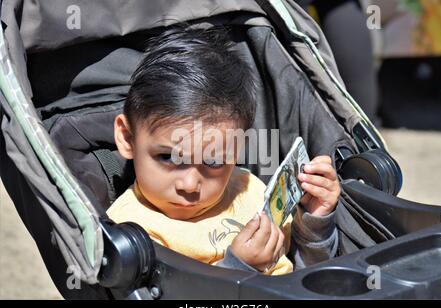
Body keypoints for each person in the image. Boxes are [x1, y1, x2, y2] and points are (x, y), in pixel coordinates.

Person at [107, 28, 341, 275]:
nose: (189, 184)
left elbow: (309, 277)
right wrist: (236, 268)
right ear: (127, 138)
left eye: (214, 162)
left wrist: (314, 224)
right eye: (168, 157)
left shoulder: (250, 192)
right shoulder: (130, 231)